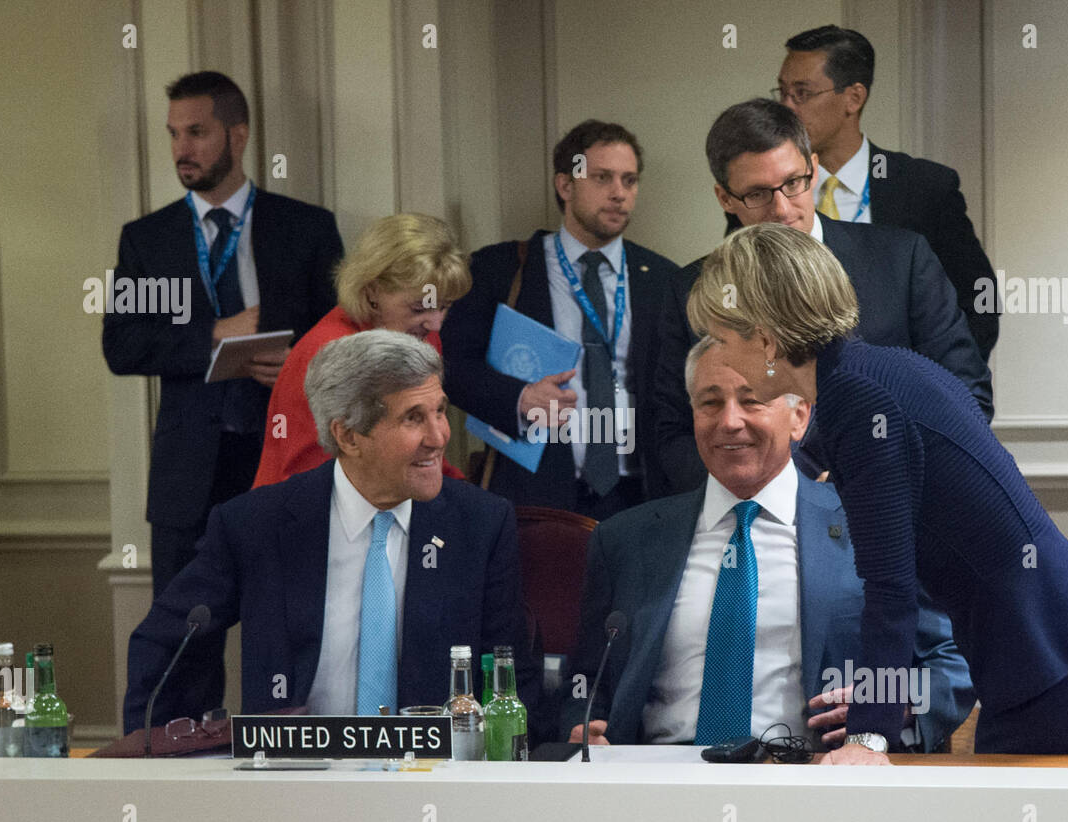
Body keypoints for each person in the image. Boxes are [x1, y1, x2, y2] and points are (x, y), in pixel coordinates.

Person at [686, 223, 1068, 760]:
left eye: (722, 339)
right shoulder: (872, 370)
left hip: (1058, 656)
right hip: (1056, 646)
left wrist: (866, 738)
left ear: (765, 339)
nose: (717, 355)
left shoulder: (857, 402)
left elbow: (889, 588)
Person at [123, 331, 541, 741]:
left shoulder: (480, 524)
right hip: (296, 782)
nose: (439, 437)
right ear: (348, 435)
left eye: (439, 411)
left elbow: (510, 673)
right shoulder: (257, 524)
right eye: (413, 417)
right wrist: (155, 758)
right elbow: (163, 641)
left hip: (433, 780)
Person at [562, 337, 973, 751]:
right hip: (659, 783)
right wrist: (582, 730)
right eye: (710, 402)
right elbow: (583, 685)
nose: (729, 421)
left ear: (799, 416)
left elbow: (953, 659)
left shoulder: (870, 524)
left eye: (751, 400)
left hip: (815, 780)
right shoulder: (624, 540)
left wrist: (895, 705)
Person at [653, 98, 991, 496]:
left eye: (793, 183)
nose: (782, 209)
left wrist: (874, 477)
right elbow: (670, 429)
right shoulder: (690, 288)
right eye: (758, 193)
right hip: (752, 517)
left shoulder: (901, 259)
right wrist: (760, 491)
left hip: (891, 499)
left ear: (813, 170)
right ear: (725, 198)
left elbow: (966, 397)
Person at [103, 71, 343, 596]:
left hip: (285, 458)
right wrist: (214, 332)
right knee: (187, 646)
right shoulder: (148, 240)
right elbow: (121, 344)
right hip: (186, 476)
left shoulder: (306, 228)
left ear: (238, 135)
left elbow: (345, 338)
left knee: (285, 631)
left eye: (196, 133)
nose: (181, 149)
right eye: (173, 134)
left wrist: (303, 362)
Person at [441, 120, 679, 517]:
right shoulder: (501, 269)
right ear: (566, 186)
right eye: (602, 178)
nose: (619, 193)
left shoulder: (664, 279)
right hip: (539, 490)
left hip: (641, 496)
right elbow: (451, 367)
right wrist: (518, 398)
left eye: (630, 180)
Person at [777, 25, 999, 361]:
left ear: (854, 97)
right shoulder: (770, 191)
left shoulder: (924, 187)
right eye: (782, 93)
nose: (787, 108)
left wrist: (937, 387)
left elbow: (980, 301)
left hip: (898, 398)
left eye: (802, 93)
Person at [252, 213, 470, 487]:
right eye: (419, 308)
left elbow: (425, 447)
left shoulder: (419, 337)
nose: (435, 323)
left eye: (444, 306)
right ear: (372, 292)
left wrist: (463, 499)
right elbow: (307, 476)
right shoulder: (328, 352)